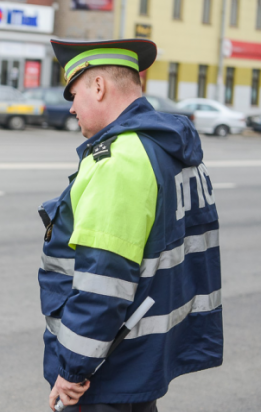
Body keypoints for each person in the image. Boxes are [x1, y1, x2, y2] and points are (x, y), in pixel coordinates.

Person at [39, 39, 222, 412]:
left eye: (75, 93)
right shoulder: (174, 150)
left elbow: (103, 284)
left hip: (105, 369)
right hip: (143, 358)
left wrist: (72, 370)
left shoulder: (119, 161)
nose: (72, 107)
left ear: (99, 86)